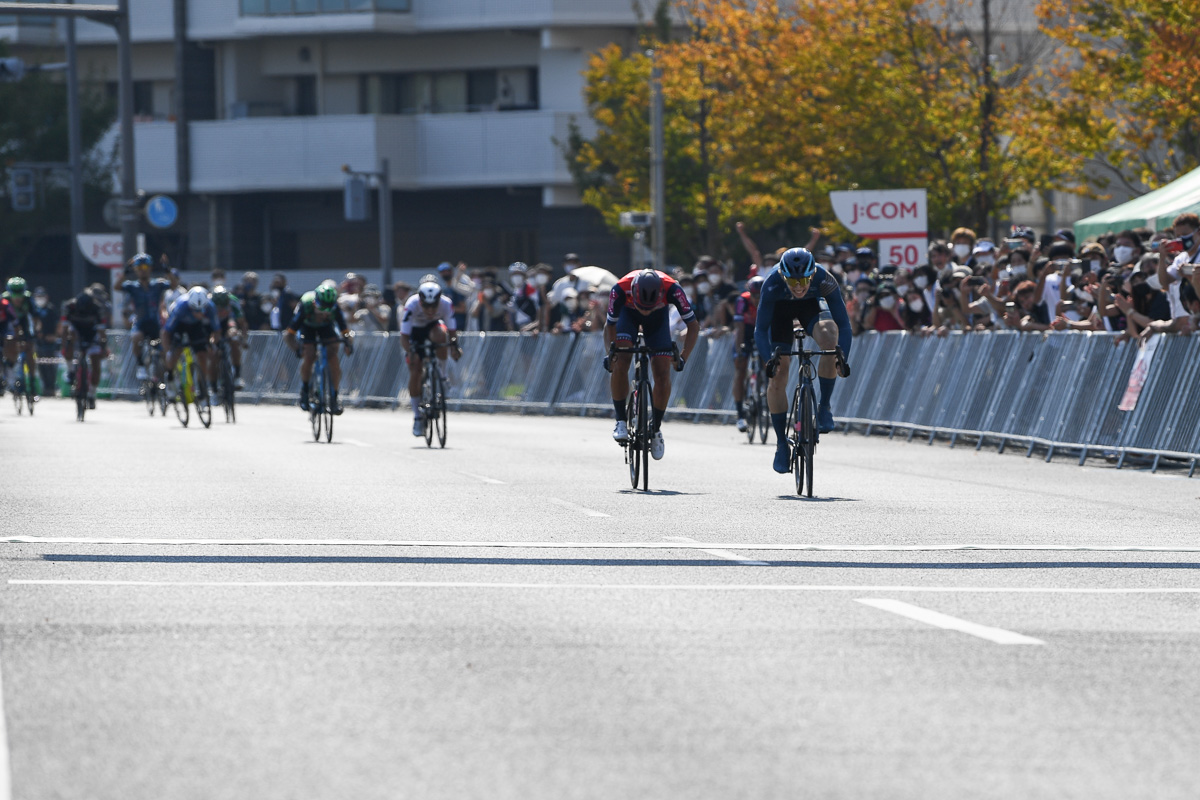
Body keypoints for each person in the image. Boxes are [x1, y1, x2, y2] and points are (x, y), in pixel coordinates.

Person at [754, 247, 852, 474]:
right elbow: (760, 330)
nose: (799, 286)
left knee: (830, 337)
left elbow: (844, 325)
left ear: (812, 274)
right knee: (779, 373)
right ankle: (780, 444)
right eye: (792, 281)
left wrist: (841, 357)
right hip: (780, 313)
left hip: (811, 307)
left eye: (804, 280)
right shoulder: (771, 284)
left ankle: (824, 406)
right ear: (783, 276)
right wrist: (769, 360)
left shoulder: (825, 279)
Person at [604, 269, 700, 460]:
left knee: (663, 373)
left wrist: (683, 357)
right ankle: (621, 420)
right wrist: (610, 354)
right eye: (642, 306)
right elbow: (610, 326)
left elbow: (694, 326)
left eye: (649, 307)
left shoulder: (673, 289)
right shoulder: (620, 289)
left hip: (658, 320)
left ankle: (655, 428)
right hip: (627, 316)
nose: (645, 311)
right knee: (621, 361)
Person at [400, 280, 462, 436]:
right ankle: (417, 417)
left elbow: (452, 331)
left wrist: (455, 347)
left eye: (433, 306)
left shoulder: (446, 304)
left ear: (439, 301)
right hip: (414, 332)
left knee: (442, 336)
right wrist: (411, 352)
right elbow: (404, 338)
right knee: (415, 371)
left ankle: (442, 376)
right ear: (420, 301)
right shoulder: (412, 304)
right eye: (426, 306)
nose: (429, 310)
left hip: (433, 327)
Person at [284, 281, 354, 415]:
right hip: (307, 327)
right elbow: (288, 335)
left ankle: (334, 398)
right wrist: (297, 348)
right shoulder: (306, 306)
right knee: (309, 355)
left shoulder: (336, 309)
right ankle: (305, 391)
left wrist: (348, 343)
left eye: (328, 310)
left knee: (333, 356)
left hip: (325, 328)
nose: (324, 314)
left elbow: (344, 331)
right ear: (315, 303)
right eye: (321, 309)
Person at [162, 287, 220, 402]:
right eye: (195, 310)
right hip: (179, 325)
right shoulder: (181, 307)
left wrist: (213, 345)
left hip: (196, 327)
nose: (198, 313)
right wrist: (168, 351)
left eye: (201, 310)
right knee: (176, 351)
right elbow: (166, 332)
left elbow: (217, 330)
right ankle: (170, 378)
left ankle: (201, 386)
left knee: (202, 355)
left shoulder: (210, 307)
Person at [119, 253, 171, 381]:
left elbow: (173, 284)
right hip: (140, 323)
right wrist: (126, 271)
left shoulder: (158, 284)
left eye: (145, 267)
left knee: (165, 351)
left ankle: (168, 378)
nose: (143, 271)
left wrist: (166, 269)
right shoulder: (132, 286)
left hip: (155, 323)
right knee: (136, 337)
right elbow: (117, 286)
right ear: (136, 270)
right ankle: (140, 365)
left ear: (150, 268)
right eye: (139, 268)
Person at [59, 287, 108, 409]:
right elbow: (64, 329)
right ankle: (71, 370)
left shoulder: (98, 308)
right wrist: (64, 347)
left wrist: (104, 347)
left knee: (96, 364)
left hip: (91, 332)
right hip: (76, 331)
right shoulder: (69, 306)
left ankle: (91, 394)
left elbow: (102, 332)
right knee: (70, 335)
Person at [732, 275, 765, 432]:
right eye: (755, 295)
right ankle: (740, 415)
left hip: (762, 330)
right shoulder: (742, 301)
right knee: (740, 369)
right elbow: (739, 327)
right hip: (745, 332)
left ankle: (765, 387)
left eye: (760, 295)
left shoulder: (769, 300)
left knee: (769, 362)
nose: (757, 299)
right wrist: (740, 349)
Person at [1, 277, 39, 397]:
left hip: (23, 322)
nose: (18, 299)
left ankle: (32, 383)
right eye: (15, 295)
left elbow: (35, 318)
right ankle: (9, 369)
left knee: (30, 349)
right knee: (9, 345)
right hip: (8, 324)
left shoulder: (28, 299)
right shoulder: (4, 301)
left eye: (20, 295)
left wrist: (34, 333)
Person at [210, 286, 248, 389]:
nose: (221, 309)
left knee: (234, 340)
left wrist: (244, 340)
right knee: (213, 355)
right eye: (218, 307)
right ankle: (213, 388)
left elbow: (242, 323)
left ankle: (237, 376)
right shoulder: (208, 303)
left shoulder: (233, 301)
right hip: (213, 325)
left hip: (228, 323)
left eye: (223, 307)